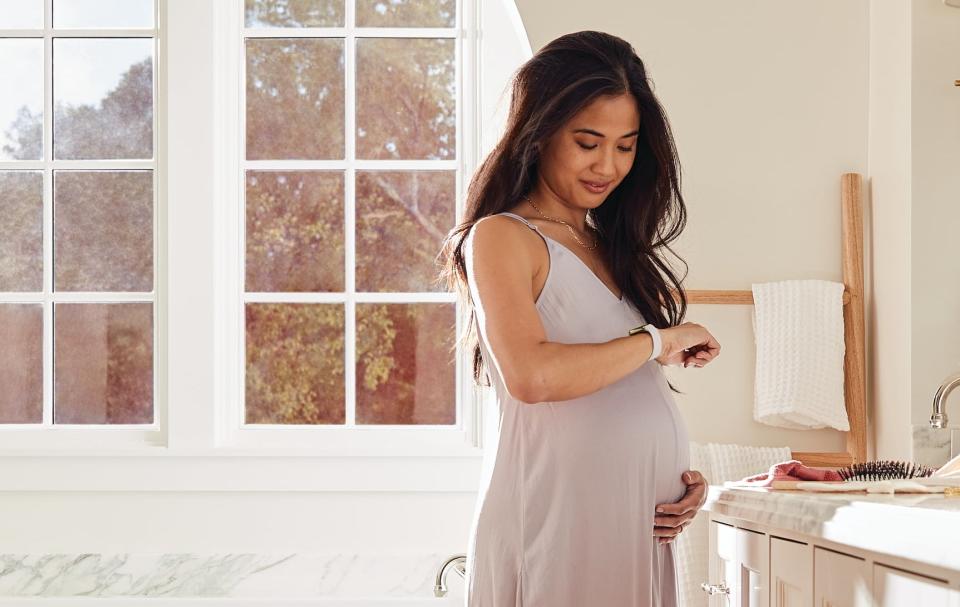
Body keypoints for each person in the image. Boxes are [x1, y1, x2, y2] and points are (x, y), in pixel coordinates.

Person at [438, 30, 721, 606]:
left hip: (635, 531)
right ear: (539, 133)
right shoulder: (501, 237)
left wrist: (678, 485)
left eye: (626, 145)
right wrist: (656, 341)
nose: (608, 165)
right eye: (588, 142)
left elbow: (615, 393)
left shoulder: (606, 244)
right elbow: (532, 375)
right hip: (555, 526)